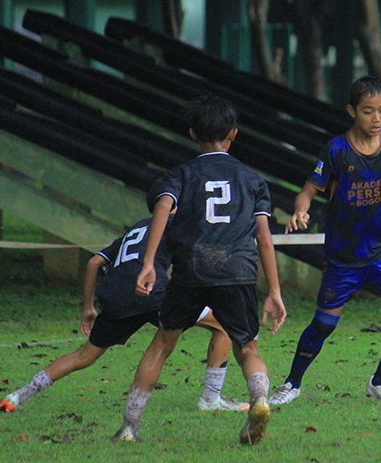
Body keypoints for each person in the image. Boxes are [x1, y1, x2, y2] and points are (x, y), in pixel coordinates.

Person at [113, 94, 286, 444]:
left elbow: (163, 207)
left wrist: (148, 264)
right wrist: (274, 291)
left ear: (193, 133)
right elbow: (264, 238)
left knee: (162, 344)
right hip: (238, 270)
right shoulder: (252, 180)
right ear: (233, 134)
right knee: (247, 348)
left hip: (191, 269)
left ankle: (130, 427)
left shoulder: (180, 175)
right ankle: (259, 399)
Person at [269, 76, 381, 407]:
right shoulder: (337, 150)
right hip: (344, 257)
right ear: (352, 111)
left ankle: (380, 382)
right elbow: (308, 190)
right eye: (368, 111)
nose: (376, 118)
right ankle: (291, 384)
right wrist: (300, 211)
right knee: (323, 325)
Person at [0, 218, 248, 414]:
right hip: (152, 291)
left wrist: (88, 308)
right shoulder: (176, 224)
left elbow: (94, 263)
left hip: (116, 296)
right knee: (223, 325)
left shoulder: (136, 229)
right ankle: (211, 399)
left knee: (84, 355)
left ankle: (18, 396)